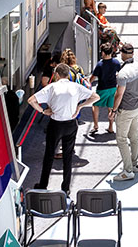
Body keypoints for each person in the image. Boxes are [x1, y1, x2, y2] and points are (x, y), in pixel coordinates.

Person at [29, 63, 100, 193]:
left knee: (49, 154)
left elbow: (31, 100)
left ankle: (43, 185)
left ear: (56, 75)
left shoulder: (52, 87)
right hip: (71, 124)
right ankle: (65, 188)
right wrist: (80, 106)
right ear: (68, 75)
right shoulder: (76, 87)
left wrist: (43, 111)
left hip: (55, 124)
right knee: (68, 156)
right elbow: (95, 97)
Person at [109, 43, 138, 181]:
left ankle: (127, 171)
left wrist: (113, 110)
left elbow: (119, 94)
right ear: (132, 53)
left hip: (125, 110)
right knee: (134, 137)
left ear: (122, 54)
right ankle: (134, 164)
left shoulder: (122, 74)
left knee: (121, 139)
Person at [89, 42, 122, 134]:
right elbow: (120, 73)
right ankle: (111, 127)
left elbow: (93, 77)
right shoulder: (116, 62)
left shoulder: (100, 64)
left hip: (102, 89)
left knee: (95, 105)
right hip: (113, 88)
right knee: (111, 107)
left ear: (103, 53)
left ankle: (96, 126)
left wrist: (87, 84)